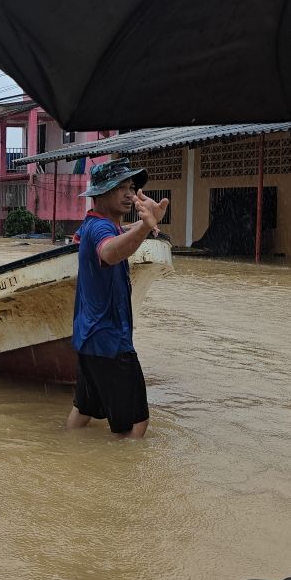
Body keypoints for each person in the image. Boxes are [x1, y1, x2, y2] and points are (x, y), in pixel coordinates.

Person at [66, 158, 168, 438]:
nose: (129, 194)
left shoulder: (97, 224)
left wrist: (144, 224)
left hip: (88, 337)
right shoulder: (101, 229)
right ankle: (122, 480)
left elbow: (117, 240)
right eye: (119, 187)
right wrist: (146, 227)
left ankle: (67, 454)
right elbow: (110, 252)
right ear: (99, 194)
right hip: (109, 340)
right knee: (136, 423)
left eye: (131, 187)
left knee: (85, 409)